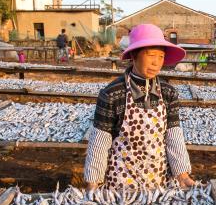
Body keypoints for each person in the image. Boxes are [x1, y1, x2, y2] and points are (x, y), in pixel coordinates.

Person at [83, 24, 196, 191]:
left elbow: (173, 135)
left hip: (158, 180)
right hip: (121, 182)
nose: (156, 63)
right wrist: (93, 181)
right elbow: (100, 140)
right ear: (134, 55)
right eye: (151, 55)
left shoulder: (168, 93)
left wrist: (182, 174)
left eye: (161, 56)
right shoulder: (112, 94)